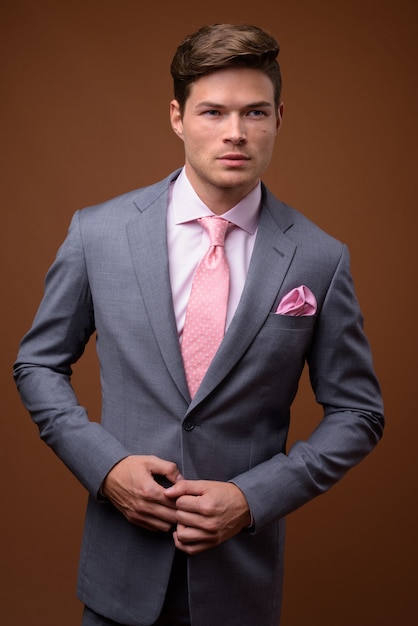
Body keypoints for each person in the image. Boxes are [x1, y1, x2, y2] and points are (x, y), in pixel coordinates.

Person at [13, 23, 384, 626]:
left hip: (240, 580)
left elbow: (359, 413)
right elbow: (37, 365)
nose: (236, 133)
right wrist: (105, 467)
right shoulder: (98, 233)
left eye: (255, 112)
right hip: (119, 573)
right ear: (178, 117)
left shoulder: (320, 258)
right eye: (213, 111)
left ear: (279, 119)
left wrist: (252, 498)